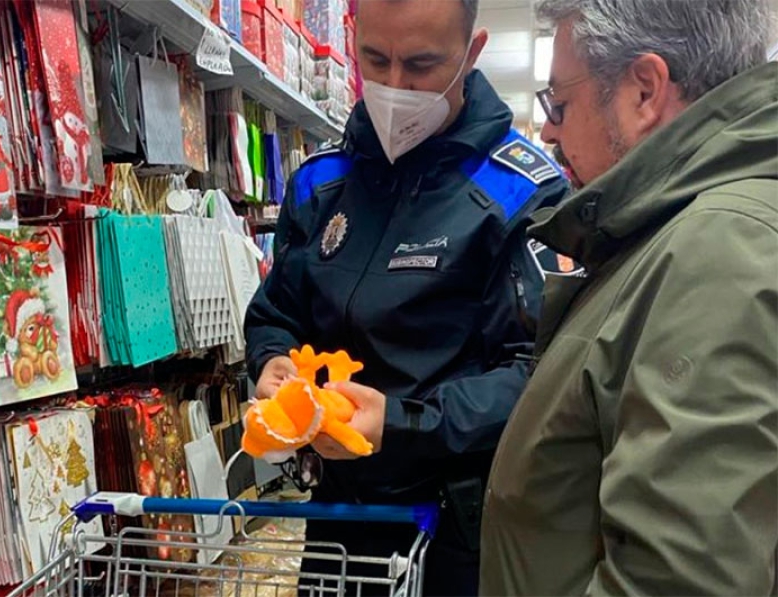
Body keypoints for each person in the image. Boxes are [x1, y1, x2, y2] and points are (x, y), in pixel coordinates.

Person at [244, 0, 569, 594]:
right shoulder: (320, 183)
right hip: (338, 524)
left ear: (471, 54)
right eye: (376, 59)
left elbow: (538, 375)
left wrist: (400, 424)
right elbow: (275, 312)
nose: (395, 86)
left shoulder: (521, 193)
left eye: (421, 64)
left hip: (452, 532)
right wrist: (273, 362)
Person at [480, 0, 778, 594]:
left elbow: (681, 580)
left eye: (559, 102)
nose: (550, 130)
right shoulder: (671, 233)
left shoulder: (717, 252)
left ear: (645, 91)